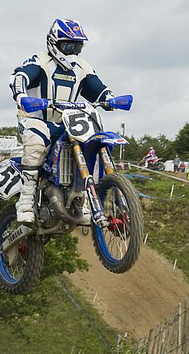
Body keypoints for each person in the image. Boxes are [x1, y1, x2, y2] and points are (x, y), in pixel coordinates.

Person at [9, 18, 120, 224]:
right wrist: (22, 95)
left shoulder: (82, 68)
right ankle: (25, 202)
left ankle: (84, 201)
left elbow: (97, 88)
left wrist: (109, 98)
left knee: (90, 144)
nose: (72, 51)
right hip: (36, 118)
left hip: (67, 123)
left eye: (77, 46)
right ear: (55, 43)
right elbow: (20, 76)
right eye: (68, 45)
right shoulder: (40, 60)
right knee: (36, 141)